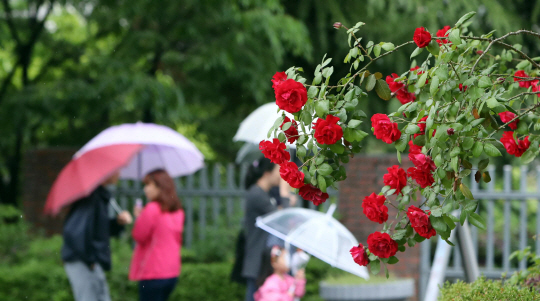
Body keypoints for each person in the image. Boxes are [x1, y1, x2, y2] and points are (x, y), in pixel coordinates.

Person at [62, 171, 133, 301]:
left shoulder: (99, 196)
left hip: (89, 260)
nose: (119, 173)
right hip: (83, 261)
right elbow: (73, 231)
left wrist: (118, 223)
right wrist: (90, 260)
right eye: (116, 170)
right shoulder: (91, 197)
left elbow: (98, 229)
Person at [129, 169, 185, 301]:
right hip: (171, 271)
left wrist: (139, 217)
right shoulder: (177, 211)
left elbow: (139, 236)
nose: (145, 189)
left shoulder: (152, 208)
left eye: (149, 185)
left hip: (153, 270)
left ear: (160, 187)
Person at [242, 157, 281, 301]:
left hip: (261, 261)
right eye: (278, 170)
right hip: (258, 262)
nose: (280, 174)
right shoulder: (257, 194)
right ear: (267, 173)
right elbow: (281, 218)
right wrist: (286, 195)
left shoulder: (263, 193)